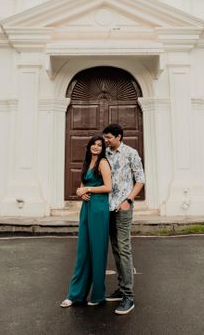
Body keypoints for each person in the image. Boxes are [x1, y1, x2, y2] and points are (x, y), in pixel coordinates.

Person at [60, 135, 112, 308]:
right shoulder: (86, 162)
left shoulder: (103, 162)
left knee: (97, 251)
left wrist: (87, 189)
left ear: (102, 148)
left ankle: (97, 296)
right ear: (89, 146)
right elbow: (81, 187)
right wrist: (79, 191)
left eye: (99, 145)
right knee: (83, 252)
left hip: (99, 209)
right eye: (94, 144)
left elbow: (108, 187)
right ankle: (75, 295)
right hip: (87, 208)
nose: (96, 147)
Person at [102, 123, 145, 315]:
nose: (106, 140)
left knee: (124, 249)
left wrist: (128, 200)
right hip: (107, 207)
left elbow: (140, 180)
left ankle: (129, 296)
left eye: (109, 137)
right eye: (105, 137)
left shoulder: (131, 153)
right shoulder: (105, 153)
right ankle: (121, 288)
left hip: (123, 207)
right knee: (116, 249)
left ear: (119, 136)